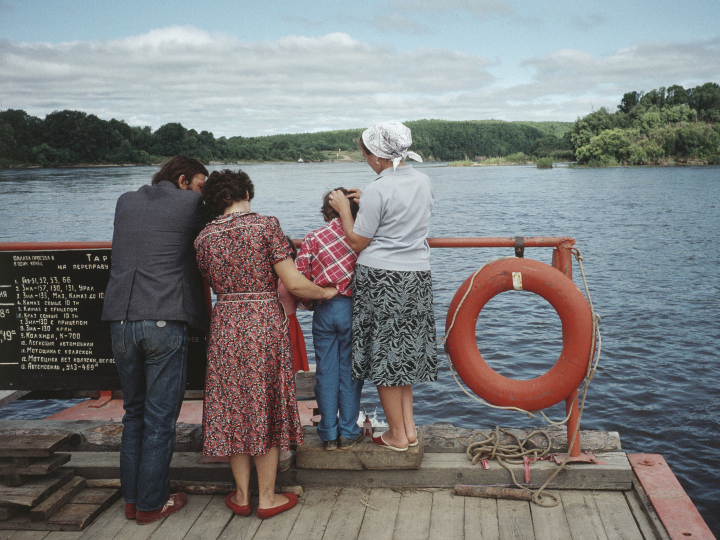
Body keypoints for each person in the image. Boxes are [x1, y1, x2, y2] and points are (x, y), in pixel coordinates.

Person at [195, 169, 338, 519]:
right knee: (265, 406)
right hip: (261, 323)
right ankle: (268, 498)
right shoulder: (265, 226)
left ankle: (242, 496)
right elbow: (295, 284)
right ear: (247, 191)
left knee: (235, 410)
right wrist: (327, 292)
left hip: (225, 323)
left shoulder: (203, 238)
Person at [101, 155, 210, 524]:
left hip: (119, 319)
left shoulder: (125, 200)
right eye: (200, 184)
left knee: (134, 413)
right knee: (160, 419)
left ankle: (133, 501)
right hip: (164, 317)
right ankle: (151, 505)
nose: (202, 191)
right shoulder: (192, 203)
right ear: (183, 181)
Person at [329, 121, 437, 452]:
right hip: (416, 276)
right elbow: (398, 210)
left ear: (377, 156)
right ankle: (408, 430)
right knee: (402, 356)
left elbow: (358, 241)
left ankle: (396, 436)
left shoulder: (378, 188)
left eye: (365, 155)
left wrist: (346, 209)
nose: (366, 160)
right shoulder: (423, 180)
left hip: (382, 280)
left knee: (384, 358)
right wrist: (369, 199)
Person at [295, 188, 363, 451]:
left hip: (324, 308)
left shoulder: (313, 239)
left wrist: (314, 301)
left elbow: (301, 277)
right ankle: (348, 431)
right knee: (350, 374)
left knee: (326, 372)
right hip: (352, 308)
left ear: (325, 214)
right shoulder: (361, 239)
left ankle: (328, 433)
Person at [277, 237, 310, 373]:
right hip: (289, 324)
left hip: (266, 323)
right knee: (290, 369)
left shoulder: (262, 278)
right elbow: (304, 302)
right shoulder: (293, 277)